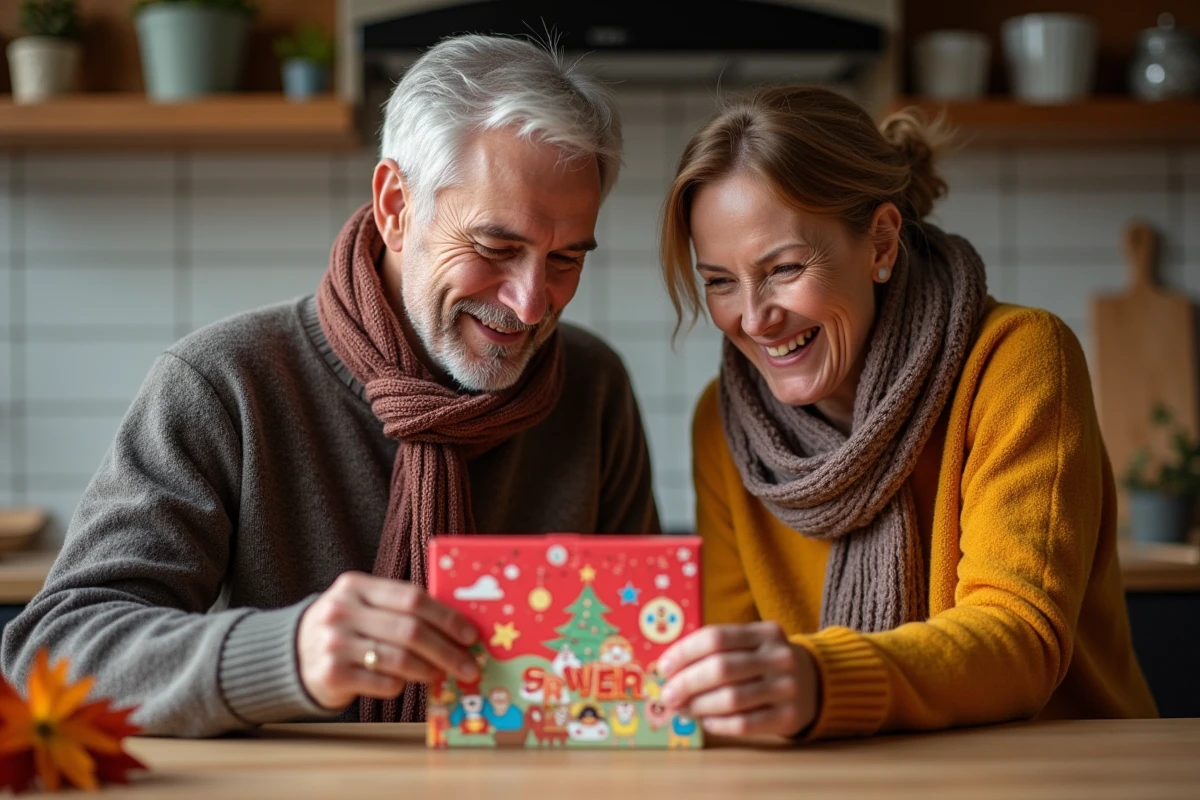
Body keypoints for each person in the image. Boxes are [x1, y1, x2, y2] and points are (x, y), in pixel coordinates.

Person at [1, 35, 658, 737]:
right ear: (396, 206)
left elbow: (640, 664)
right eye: (495, 248)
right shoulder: (226, 383)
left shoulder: (591, 388)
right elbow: (56, 651)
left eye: (564, 259)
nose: (532, 304)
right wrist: (285, 651)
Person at [654, 86, 1156, 740]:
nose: (752, 318)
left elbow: (1019, 638)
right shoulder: (725, 426)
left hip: (1061, 771)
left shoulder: (1018, 360)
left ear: (881, 243)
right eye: (719, 280)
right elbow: (738, 661)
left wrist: (822, 678)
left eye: (782, 268)